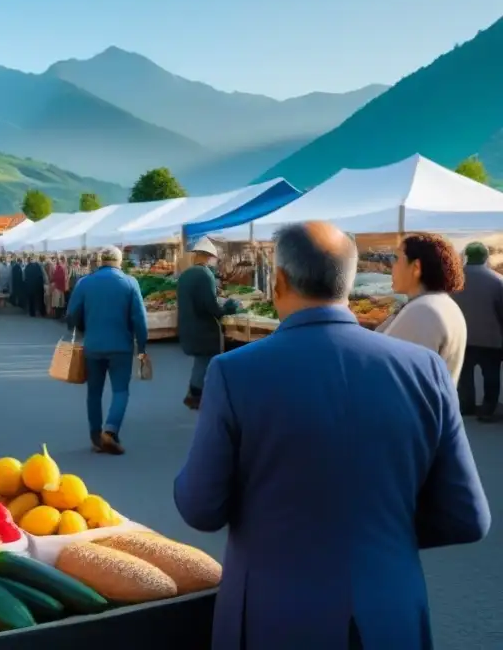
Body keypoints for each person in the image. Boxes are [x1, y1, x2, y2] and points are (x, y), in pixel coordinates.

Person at [174, 222, 490, 650]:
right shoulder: (424, 369)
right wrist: (381, 531)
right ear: (349, 280)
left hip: (272, 613)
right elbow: (467, 516)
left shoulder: (236, 372)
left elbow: (201, 507)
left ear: (279, 280)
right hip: (388, 609)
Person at [66, 246, 148, 455]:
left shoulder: (84, 283)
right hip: (121, 346)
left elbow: (71, 315)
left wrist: (85, 328)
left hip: (92, 346)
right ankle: (110, 431)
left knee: (94, 392)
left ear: (99, 261)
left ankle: (95, 436)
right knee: (121, 390)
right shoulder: (130, 283)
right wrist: (142, 346)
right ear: (119, 262)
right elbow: (139, 318)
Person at [377, 232, 467, 384]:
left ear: (416, 267)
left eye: (397, 259)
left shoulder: (423, 311)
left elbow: (393, 375)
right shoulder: (439, 304)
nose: (392, 266)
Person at [175, 237, 239, 410]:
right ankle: (195, 396)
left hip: (188, 325)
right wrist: (229, 308)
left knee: (200, 361)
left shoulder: (186, 274)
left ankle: (194, 393)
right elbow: (211, 305)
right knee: (204, 361)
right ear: (209, 256)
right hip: (203, 328)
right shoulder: (205, 274)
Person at [452, 241, 503, 419]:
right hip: (491, 339)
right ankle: (488, 409)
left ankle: (466, 406)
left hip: (463, 338)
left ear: (466, 256)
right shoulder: (497, 281)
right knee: (491, 375)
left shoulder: (454, 280)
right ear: (485, 257)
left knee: (464, 375)